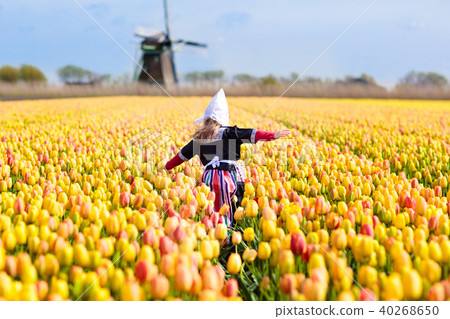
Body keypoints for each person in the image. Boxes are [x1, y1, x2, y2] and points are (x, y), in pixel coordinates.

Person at [165, 88, 290, 227]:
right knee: (233, 206)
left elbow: (181, 156)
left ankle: (213, 232)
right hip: (229, 176)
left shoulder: (200, 139)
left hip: (208, 178)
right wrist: (273, 135)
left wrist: (166, 167)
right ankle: (230, 233)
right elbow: (252, 134)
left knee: (211, 207)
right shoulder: (230, 132)